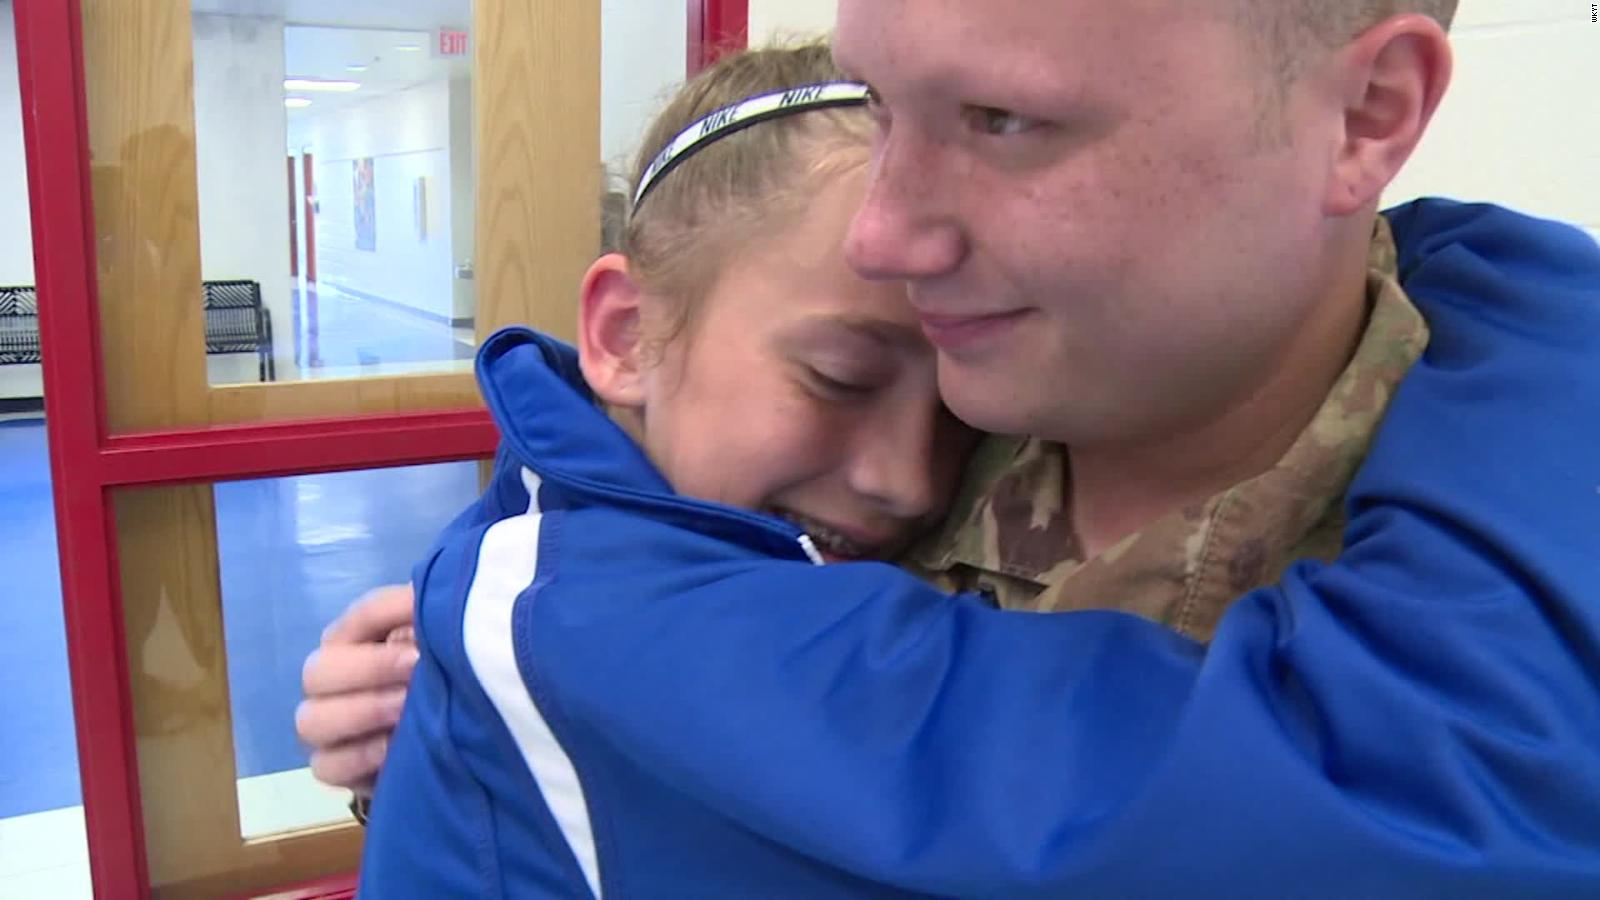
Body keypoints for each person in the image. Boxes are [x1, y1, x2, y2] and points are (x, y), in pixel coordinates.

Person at [305, 2, 1600, 895]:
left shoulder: (1500, 541)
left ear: (1366, 112)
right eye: (880, 104)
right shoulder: (897, 426)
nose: (882, 234)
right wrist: (466, 736)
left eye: (1002, 119)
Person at [356, 44, 982, 897]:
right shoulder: (578, 615)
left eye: (970, 416)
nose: (911, 481)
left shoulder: (531, 549)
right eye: (840, 378)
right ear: (626, 336)